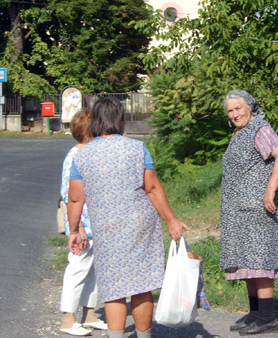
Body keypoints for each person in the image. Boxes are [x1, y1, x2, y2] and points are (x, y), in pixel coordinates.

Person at [67, 98, 189, 338]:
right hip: (140, 224)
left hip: (107, 227)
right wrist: (171, 220)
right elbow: (152, 188)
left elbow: (75, 200)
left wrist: (74, 230)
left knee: (114, 288)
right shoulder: (137, 148)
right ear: (120, 121)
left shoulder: (81, 157)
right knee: (142, 286)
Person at [220, 89, 278, 335]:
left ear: (250, 107)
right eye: (230, 110)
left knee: (260, 261)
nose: (234, 114)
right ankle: (255, 314)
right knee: (247, 262)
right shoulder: (238, 134)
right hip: (240, 211)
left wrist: (270, 191)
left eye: (238, 108)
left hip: (258, 208)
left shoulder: (260, 129)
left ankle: (267, 318)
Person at [59, 108, 108, 336]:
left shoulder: (87, 154)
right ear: (89, 133)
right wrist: (77, 227)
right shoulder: (76, 156)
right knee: (77, 269)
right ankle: (67, 319)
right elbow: (69, 195)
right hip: (81, 223)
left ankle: (89, 314)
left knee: (93, 270)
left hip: (92, 222)